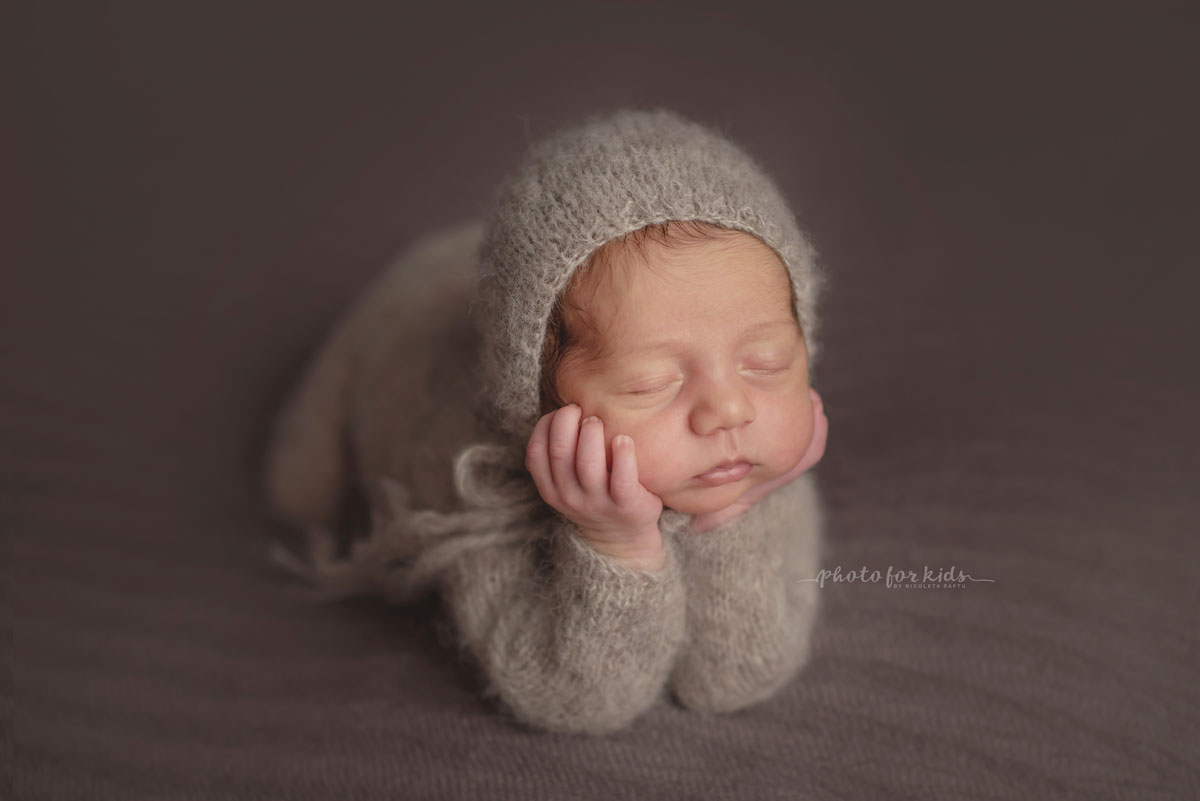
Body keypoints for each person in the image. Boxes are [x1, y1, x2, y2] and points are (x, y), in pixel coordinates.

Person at [263, 107, 830, 736]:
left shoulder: (752, 457)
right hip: (405, 324)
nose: (730, 410)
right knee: (299, 488)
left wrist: (732, 518)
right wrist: (613, 546)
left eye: (767, 362)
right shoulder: (477, 487)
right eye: (651, 383)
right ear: (543, 402)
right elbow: (575, 701)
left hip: (515, 282)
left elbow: (738, 677)